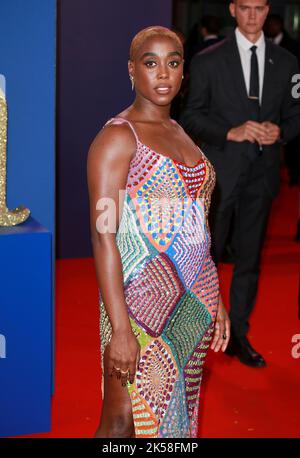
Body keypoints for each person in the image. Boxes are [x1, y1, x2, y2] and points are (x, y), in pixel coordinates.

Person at [87, 26, 230, 439]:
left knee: (176, 417)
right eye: (151, 63)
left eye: (173, 62)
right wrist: (119, 330)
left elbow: (197, 226)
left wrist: (214, 296)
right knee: (120, 421)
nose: (163, 73)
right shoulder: (118, 138)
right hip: (138, 305)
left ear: (184, 71)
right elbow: (103, 235)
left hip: (194, 302)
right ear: (132, 70)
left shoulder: (183, 134)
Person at [181, 0, 300, 368]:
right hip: (218, 177)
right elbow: (190, 116)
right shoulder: (207, 61)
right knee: (204, 258)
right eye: (245, 7)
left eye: (260, 8)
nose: (253, 16)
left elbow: (297, 117)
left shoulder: (288, 62)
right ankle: (198, 330)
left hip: (262, 178)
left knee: (249, 259)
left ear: (268, 11)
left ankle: (239, 335)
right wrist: (229, 131)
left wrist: (280, 132)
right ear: (232, 9)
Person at [264, 14, 300, 187]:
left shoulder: (293, 47)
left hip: (288, 98)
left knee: (291, 140)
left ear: (279, 25)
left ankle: (293, 174)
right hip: (268, 101)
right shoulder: (263, 43)